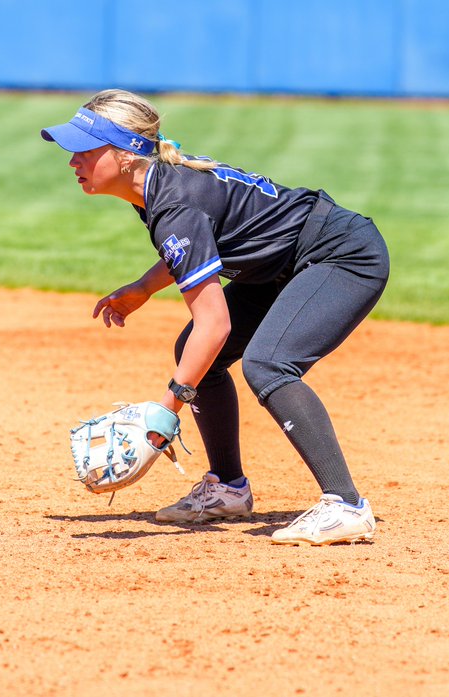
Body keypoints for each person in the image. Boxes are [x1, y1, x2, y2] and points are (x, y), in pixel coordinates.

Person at [40, 89, 388, 545]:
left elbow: (215, 324)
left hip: (341, 255)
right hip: (282, 265)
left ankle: (345, 504)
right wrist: (143, 288)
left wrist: (164, 416)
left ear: (126, 154)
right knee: (194, 352)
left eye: (84, 150)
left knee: (267, 364)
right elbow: (197, 243)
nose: (73, 162)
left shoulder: (171, 201)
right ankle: (228, 488)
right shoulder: (158, 186)